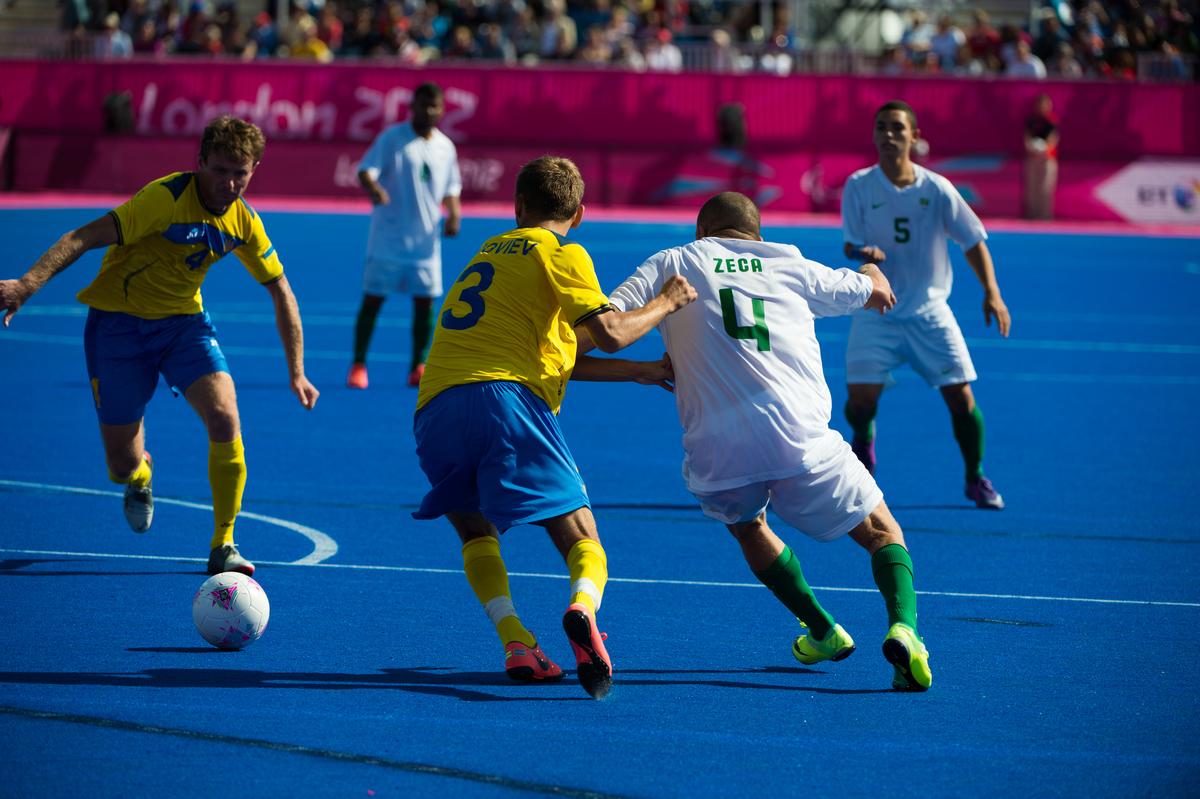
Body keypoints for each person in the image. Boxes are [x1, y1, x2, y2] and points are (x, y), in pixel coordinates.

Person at [602, 191, 932, 691]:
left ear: (701, 232)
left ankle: (823, 629)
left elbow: (608, 318)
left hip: (716, 446)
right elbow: (872, 293)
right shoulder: (788, 260)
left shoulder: (672, 260)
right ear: (755, 234)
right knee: (883, 533)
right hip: (799, 436)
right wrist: (872, 271)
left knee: (747, 526)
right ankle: (904, 629)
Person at [411, 155, 696, 699]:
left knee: (475, 529)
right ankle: (582, 610)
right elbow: (610, 331)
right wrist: (667, 301)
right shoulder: (561, 251)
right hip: (506, 401)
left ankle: (516, 640)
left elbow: (557, 354)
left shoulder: (489, 251)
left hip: (436, 406)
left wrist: (641, 373)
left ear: (518, 207)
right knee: (581, 534)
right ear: (580, 214)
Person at [0, 115, 320, 575]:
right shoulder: (163, 199)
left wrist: (296, 370)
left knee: (225, 415)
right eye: (220, 170)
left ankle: (223, 543)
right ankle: (141, 476)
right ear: (200, 163)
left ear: (254, 171)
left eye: (240, 173)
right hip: (118, 328)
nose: (229, 183)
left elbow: (280, 288)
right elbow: (85, 236)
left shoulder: (245, 223)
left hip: (182, 327)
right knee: (121, 463)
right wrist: (27, 284)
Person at [840, 100, 1011, 509]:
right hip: (875, 309)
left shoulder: (936, 189)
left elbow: (972, 240)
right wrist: (861, 251)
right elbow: (850, 243)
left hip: (929, 312)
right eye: (881, 127)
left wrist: (992, 291)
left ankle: (975, 477)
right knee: (859, 402)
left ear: (915, 137)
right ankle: (864, 440)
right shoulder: (859, 185)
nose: (888, 134)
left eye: (898, 128)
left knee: (961, 398)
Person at [348, 82, 462, 390]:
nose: (428, 111)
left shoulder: (445, 147)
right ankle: (358, 364)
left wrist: (453, 214)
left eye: (434, 105)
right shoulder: (392, 139)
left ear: (441, 110)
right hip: (388, 239)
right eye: (422, 104)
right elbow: (365, 170)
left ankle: (418, 366)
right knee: (373, 299)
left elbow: (451, 188)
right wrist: (374, 189)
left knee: (424, 303)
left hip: (426, 242)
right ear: (411, 106)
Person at [1023, 93, 1059, 220]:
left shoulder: (1051, 121)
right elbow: (1027, 138)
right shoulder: (1031, 121)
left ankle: (1045, 215)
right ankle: (1032, 214)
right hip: (1033, 158)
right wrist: (1032, 148)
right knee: (1032, 188)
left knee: (1046, 188)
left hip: (1047, 159)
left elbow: (1053, 140)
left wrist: (1044, 149)